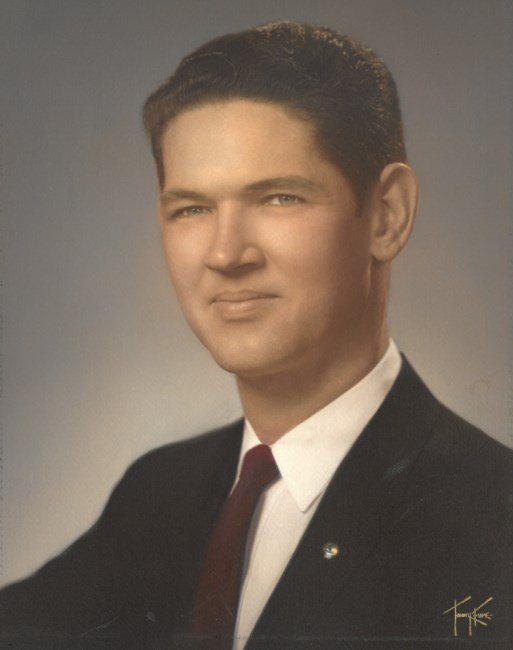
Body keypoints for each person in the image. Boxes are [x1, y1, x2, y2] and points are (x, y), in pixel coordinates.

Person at [1, 21, 512, 649]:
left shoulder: (492, 517)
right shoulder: (159, 490)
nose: (225, 254)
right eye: (192, 208)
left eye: (279, 198)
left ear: (387, 216)